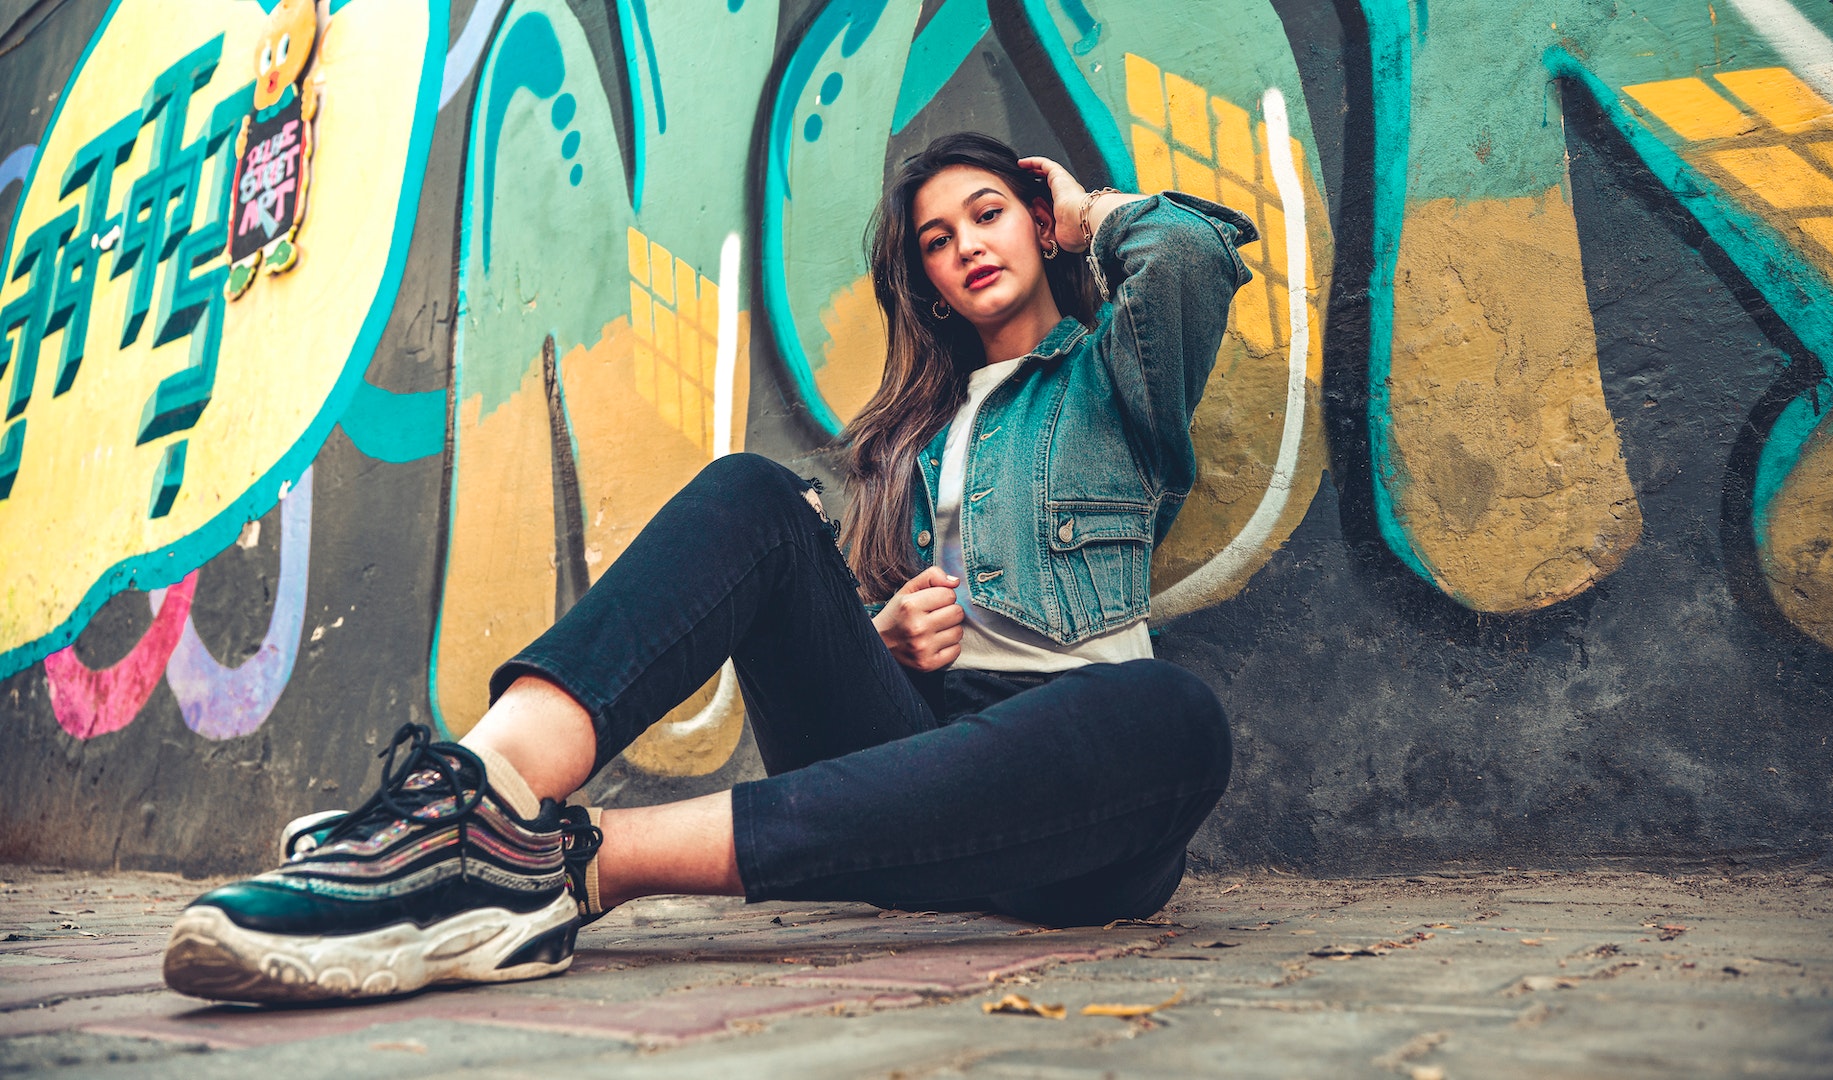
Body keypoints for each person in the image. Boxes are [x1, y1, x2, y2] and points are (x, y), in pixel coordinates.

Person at [161, 133, 1257, 1003]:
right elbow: (864, 672)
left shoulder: (1114, 382)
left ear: (1037, 222)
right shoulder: (913, 445)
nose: (966, 244)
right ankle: (475, 804)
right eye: (934, 238)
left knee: (1175, 714)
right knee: (753, 492)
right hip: (912, 777)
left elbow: (1196, 259)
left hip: (1077, 791)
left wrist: (1088, 213)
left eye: (990, 213)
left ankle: (569, 864)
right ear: (920, 280)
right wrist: (881, 644)